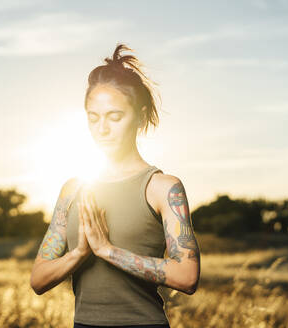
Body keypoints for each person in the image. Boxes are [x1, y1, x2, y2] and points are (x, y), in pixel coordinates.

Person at [30, 43, 201, 328]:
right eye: (93, 117)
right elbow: (38, 279)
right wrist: (79, 254)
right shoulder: (72, 190)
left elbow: (188, 277)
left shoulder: (162, 187)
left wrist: (109, 251)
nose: (102, 129)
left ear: (140, 115)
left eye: (115, 116)